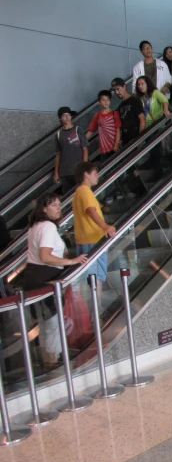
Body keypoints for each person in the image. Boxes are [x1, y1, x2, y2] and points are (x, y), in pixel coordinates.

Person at [22, 193, 87, 365]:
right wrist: (71, 261)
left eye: (59, 204)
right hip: (46, 277)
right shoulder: (48, 227)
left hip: (33, 276)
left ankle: (48, 362)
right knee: (52, 325)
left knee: (45, 325)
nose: (59, 208)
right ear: (44, 208)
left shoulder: (35, 225)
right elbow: (45, 256)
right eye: (54, 205)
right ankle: (54, 362)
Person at [72, 162, 116, 291]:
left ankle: (94, 308)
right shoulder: (85, 191)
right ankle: (96, 309)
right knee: (95, 279)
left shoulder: (78, 192)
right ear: (86, 174)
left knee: (90, 278)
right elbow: (90, 210)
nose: (97, 176)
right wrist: (105, 226)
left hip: (84, 239)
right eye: (95, 173)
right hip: (93, 240)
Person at [53, 107, 89, 195]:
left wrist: (84, 167)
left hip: (77, 169)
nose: (67, 117)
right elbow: (58, 154)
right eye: (64, 115)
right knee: (68, 196)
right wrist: (56, 172)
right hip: (65, 171)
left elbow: (85, 149)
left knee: (81, 193)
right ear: (60, 118)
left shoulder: (78, 130)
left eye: (68, 115)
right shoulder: (58, 134)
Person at [85, 90, 121, 164]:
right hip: (104, 149)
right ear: (99, 102)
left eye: (108, 99)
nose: (106, 102)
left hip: (114, 147)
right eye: (103, 100)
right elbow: (90, 131)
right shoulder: (97, 115)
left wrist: (116, 144)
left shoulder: (114, 113)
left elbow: (118, 130)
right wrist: (81, 142)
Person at [110, 78, 145, 146]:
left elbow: (142, 119)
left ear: (124, 86)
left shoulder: (134, 101)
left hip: (135, 138)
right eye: (114, 90)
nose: (116, 92)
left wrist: (140, 139)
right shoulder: (120, 107)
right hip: (126, 141)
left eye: (118, 89)